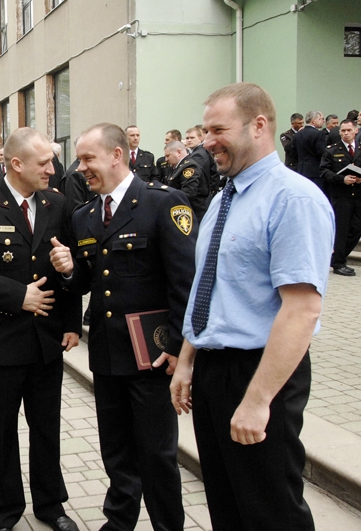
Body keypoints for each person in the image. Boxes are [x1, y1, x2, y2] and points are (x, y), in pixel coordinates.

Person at [170, 83, 334, 531]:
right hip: (213, 371)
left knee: (270, 510)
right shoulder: (223, 200)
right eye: (204, 130)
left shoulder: (293, 200)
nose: (206, 141)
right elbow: (211, 288)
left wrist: (258, 400)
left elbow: (301, 311)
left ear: (258, 125)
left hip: (261, 373)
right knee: (226, 503)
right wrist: (188, 359)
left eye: (217, 129)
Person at [49, 123, 193, 531]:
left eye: (88, 159)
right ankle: (119, 521)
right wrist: (68, 269)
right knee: (115, 449)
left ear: (117, 155)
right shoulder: (85, 216)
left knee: (157, 453)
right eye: (79, 159)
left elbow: (186, 281)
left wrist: (180, 345)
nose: (81, 168)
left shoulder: (162, 204)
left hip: (153, 355)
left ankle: (169, 525)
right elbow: (87, 283)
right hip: (109, 353)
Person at [0, 127, 81, 531]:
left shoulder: (58, 203)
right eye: (44, 163)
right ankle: (3, 513)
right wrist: (16, 296)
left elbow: (68, 268)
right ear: (16, 163)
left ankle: (51, 506)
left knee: (47, 429)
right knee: (0, 434)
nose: (52, 169)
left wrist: (73, 322)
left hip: (46, 342)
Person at [320, 119, 361, 276]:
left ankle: (338, 257)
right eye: (342, 131)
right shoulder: (331, 150)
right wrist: (342, 179)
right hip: (341, 196)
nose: (345, 133)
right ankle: (338, 263)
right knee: (342, 230)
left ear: (355, 131)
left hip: (357, 195)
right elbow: (324, 172)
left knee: (356, 229)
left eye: (348, 130)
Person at [164, 140, 211, 220]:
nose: (166, 159)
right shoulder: (177, 167)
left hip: (193, 214)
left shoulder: (190, 167)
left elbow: (188, 193)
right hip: (183, 212)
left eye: (168, 156)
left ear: (178, 152)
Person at [293, 110, 327, 194]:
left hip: (301, 170)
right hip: (316, 172)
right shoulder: (318, 134)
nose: (323, 121)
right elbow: (322, 153)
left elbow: (293, 152)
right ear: (314, 121)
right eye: (321, 119)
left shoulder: (297, 134)